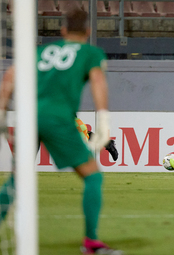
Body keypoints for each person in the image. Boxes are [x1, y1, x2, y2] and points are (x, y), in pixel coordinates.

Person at [0, 9, 122, 255]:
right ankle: (91, 242)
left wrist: (2, 110)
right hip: (56, 118)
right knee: (92, 176)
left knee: (17, 180)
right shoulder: (91, 53)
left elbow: (10, 76)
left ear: (63, 31)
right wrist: (103, 121)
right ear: (88, 32)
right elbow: (98, 81)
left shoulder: (40, 52)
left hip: (27, 116)